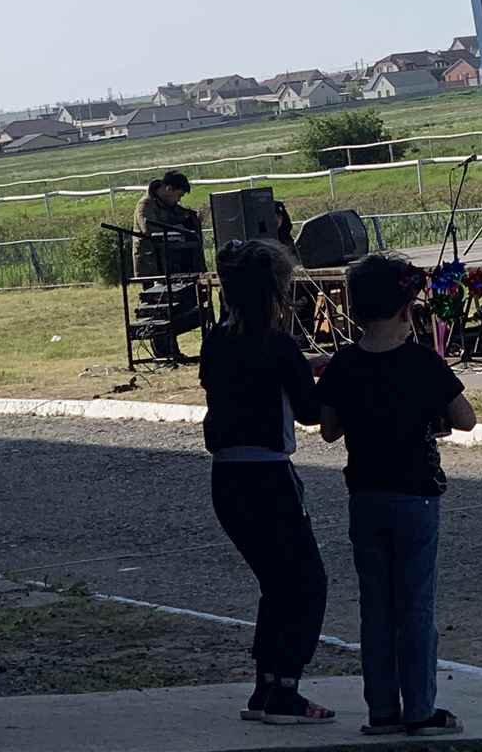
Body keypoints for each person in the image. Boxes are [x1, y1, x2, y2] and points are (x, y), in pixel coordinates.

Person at [318, 254, 476, 739]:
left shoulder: (344, 363)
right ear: (407, 308)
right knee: (416, 606)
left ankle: (382, 709)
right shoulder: (422, 362)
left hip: (365, 496)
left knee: (376, 607)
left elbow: (328, 429)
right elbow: (466, 419)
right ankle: (420, 709)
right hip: (415, 497)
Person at [199, 239, 334, 726]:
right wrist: (329, 376)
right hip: (269, 475)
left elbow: (248, 379)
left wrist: (300, 367)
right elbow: (310, 412)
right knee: (307, 583)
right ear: (275, 291)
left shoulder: (216, 341)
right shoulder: (279, 345)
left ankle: (267, 686)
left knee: (276, 583)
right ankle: (286, 689)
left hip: (227, 477)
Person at [135, 170, 205, 357]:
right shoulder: (146, 204)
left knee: (174, 309)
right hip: (151, 266)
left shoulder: (168, 205)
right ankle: (164, 353)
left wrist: (191, 219)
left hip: (170, 264)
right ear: (168, 189)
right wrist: (177, 229)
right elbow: (149, 228)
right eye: (178, 195)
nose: (178, 200)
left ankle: (173, 351)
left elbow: (184, 217)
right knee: (158, 310)